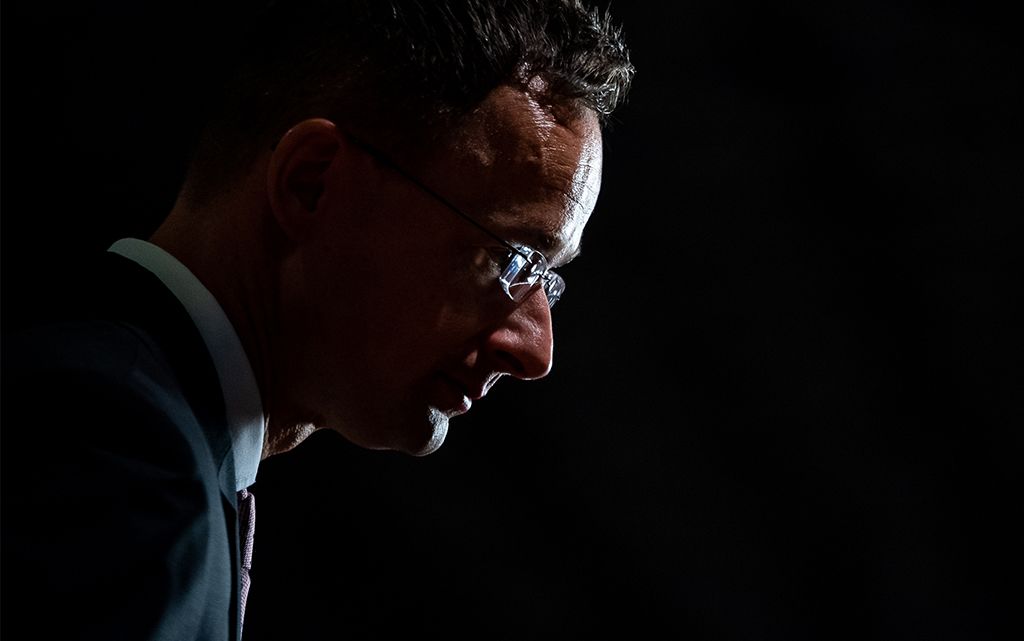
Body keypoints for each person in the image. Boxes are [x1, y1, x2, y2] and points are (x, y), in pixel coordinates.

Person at [0, 1, 634, 639]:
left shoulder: (121, 424)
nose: (535, 350)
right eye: (512, 258)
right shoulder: (117, 457)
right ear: (312, 182)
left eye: (549, 279)